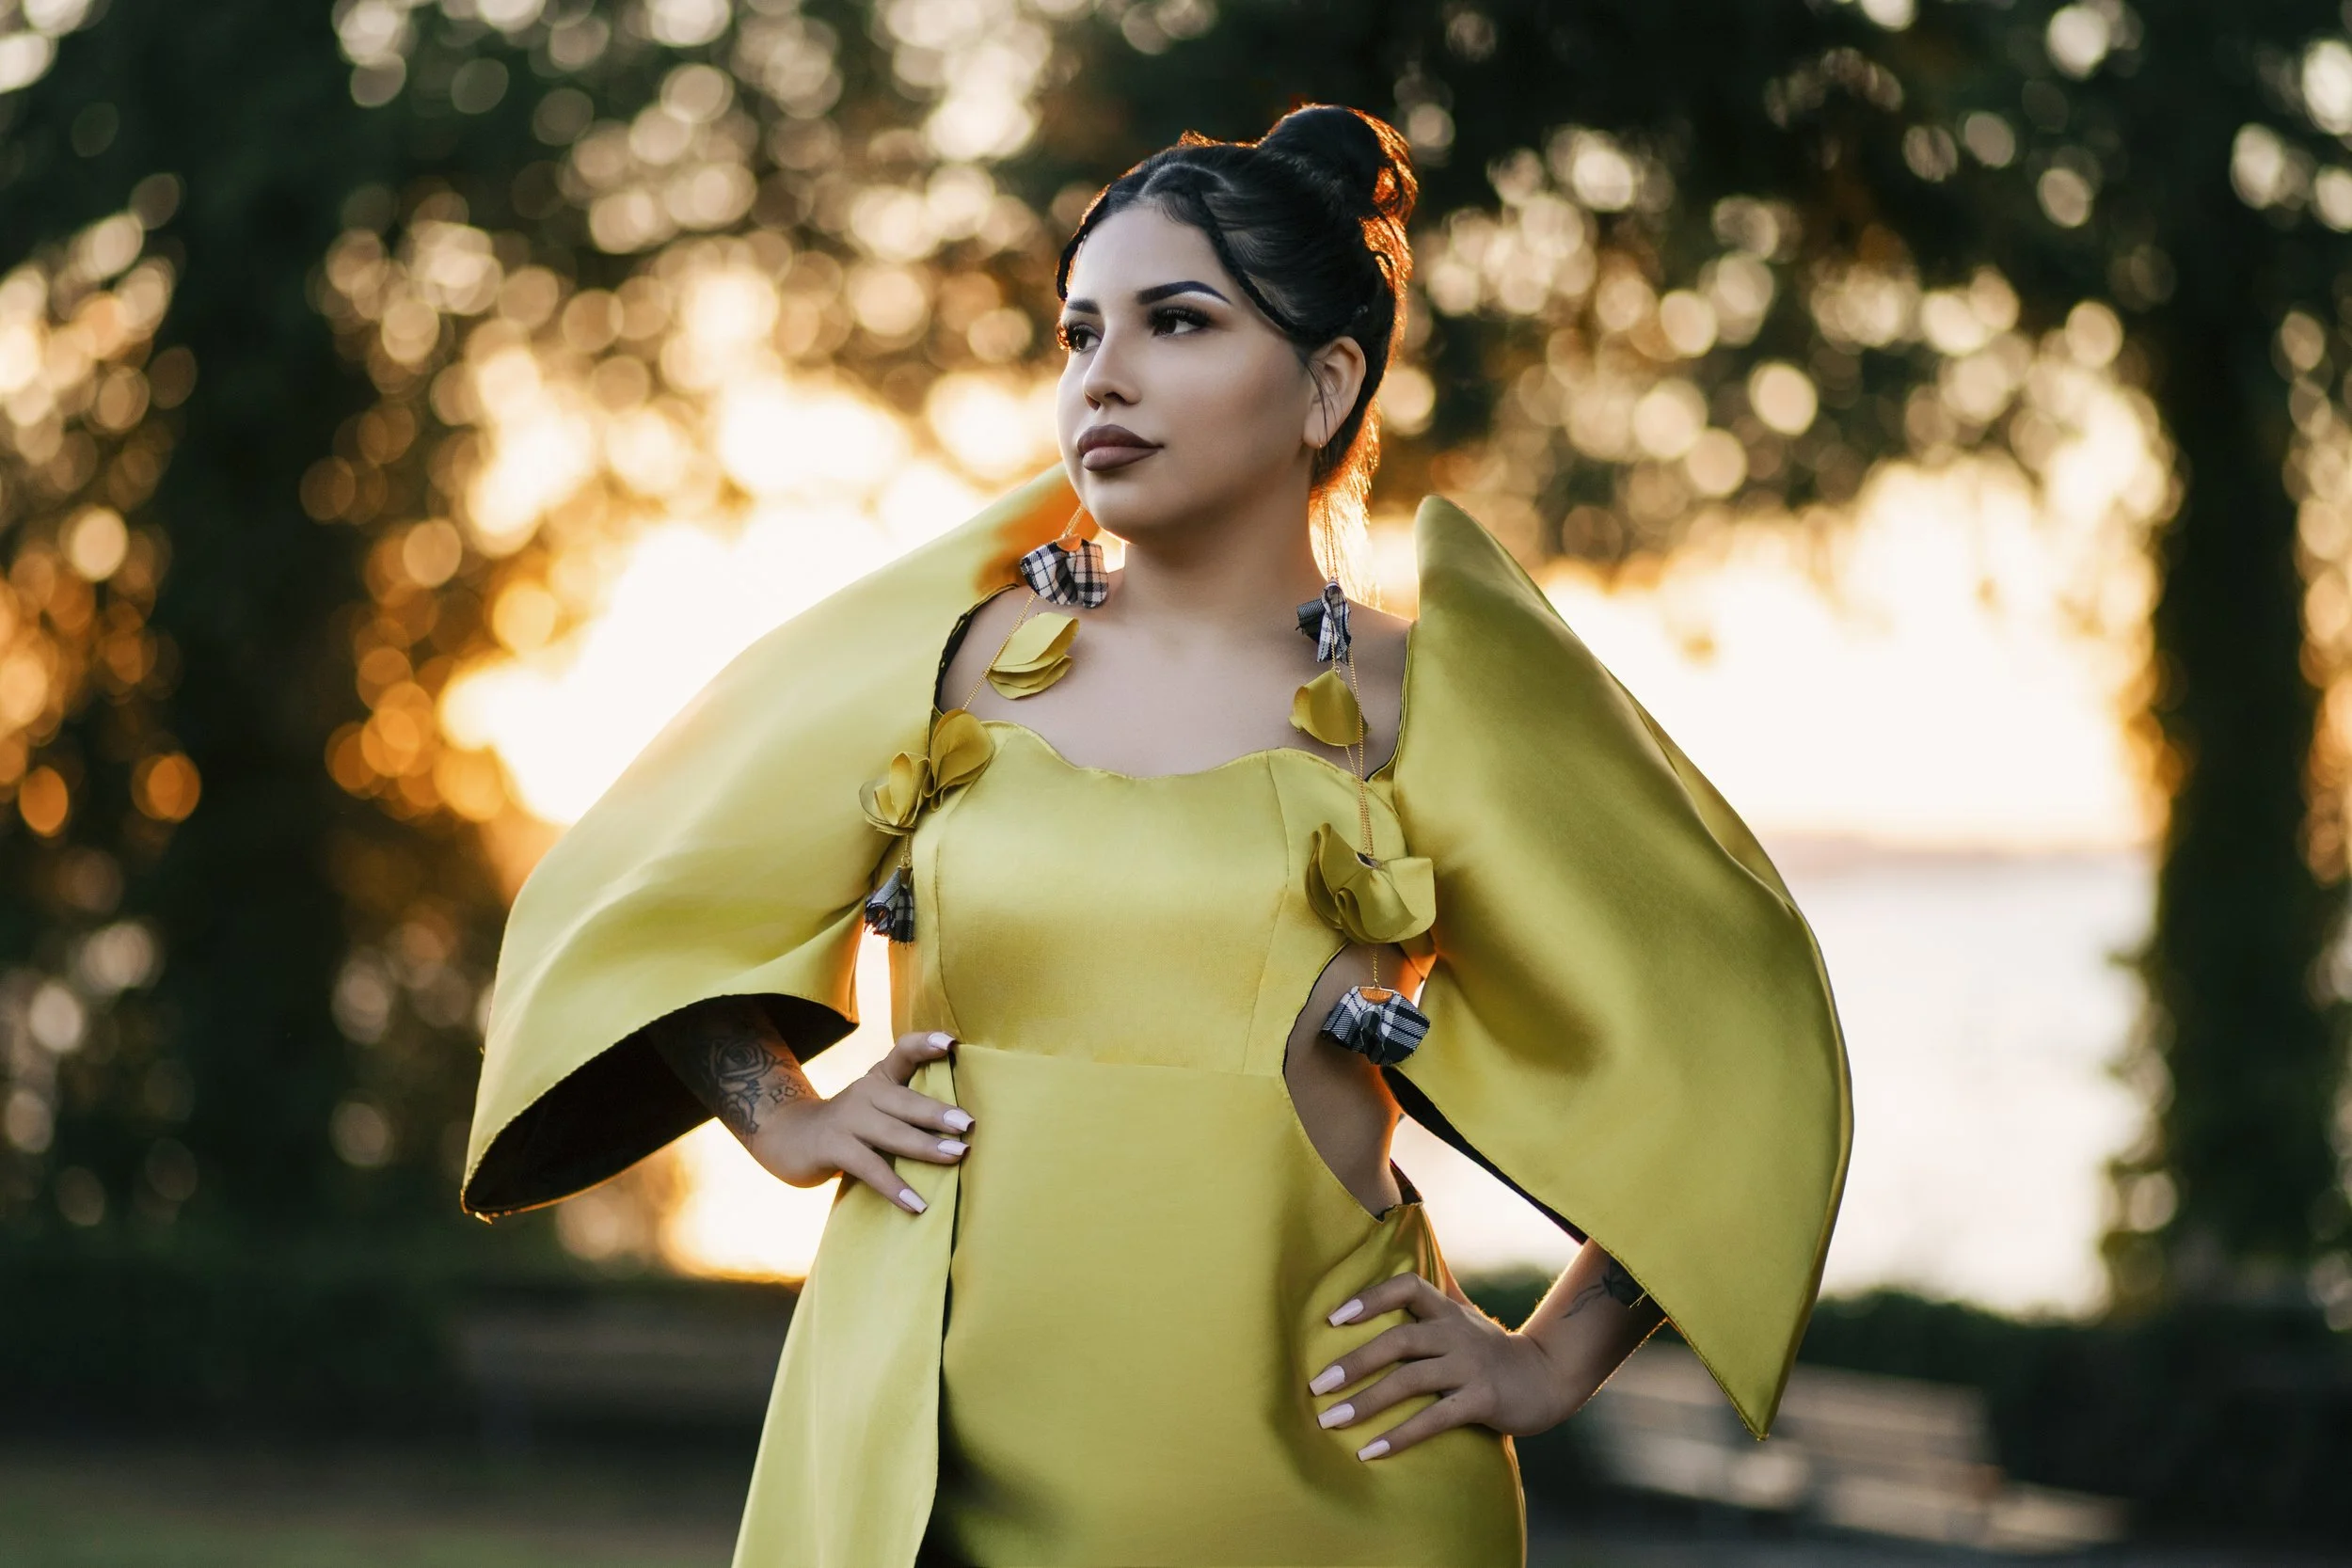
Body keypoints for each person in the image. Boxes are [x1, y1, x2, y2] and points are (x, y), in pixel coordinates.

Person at [459, 104, 1851, 1568]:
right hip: (928, 1467)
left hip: (1333, 1479)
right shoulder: (952, 655)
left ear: (1325, 385)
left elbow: (1728, 1036)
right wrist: (781, 1111)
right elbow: (640, 888)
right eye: (1076, 334)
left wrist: (1551, 1358)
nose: (1103, 379)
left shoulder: (1428, 702)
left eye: (1174, 323)